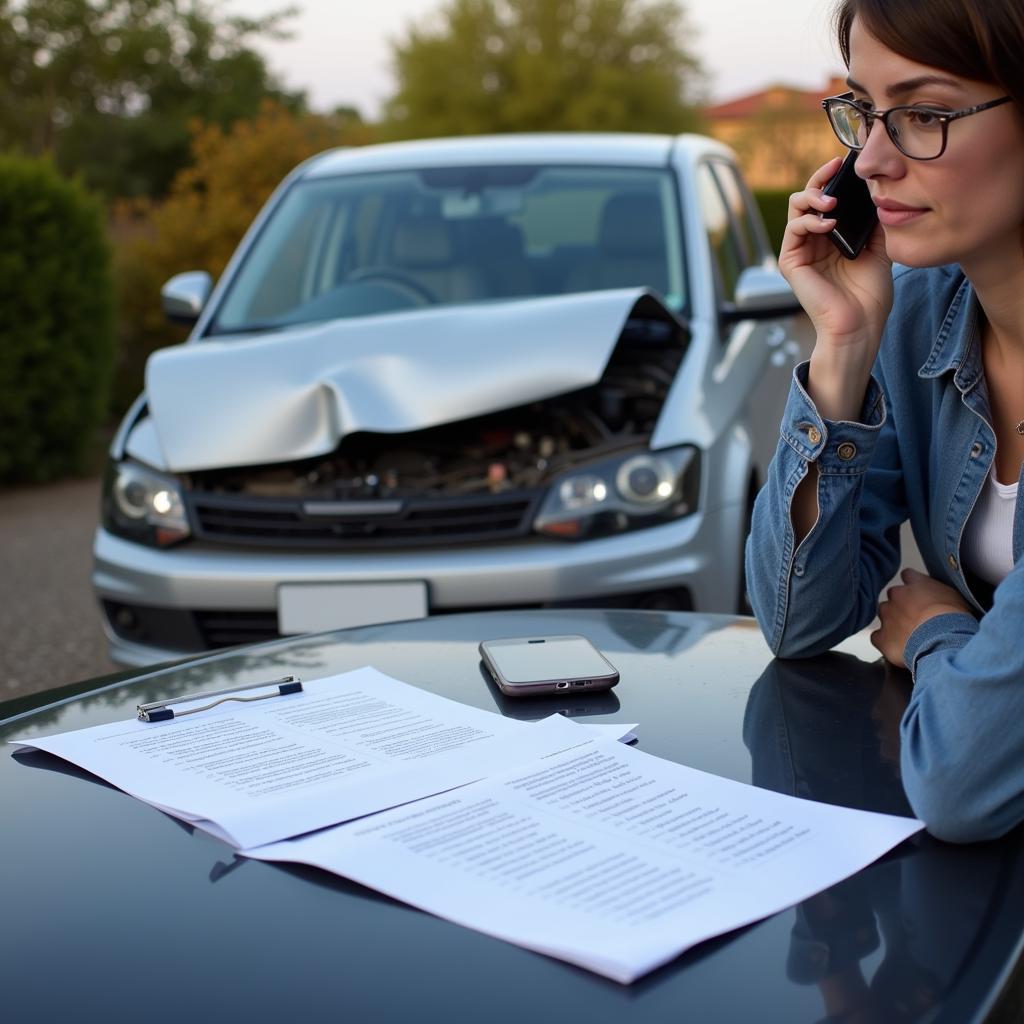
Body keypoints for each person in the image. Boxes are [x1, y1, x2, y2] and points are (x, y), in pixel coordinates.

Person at [746, 0, 1024, 842]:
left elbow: (961, 783)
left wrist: (937, 634)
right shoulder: (919, 317)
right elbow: (799, 621)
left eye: (925, 114)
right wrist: (844, 347)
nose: (869, 161)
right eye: (865, 112)